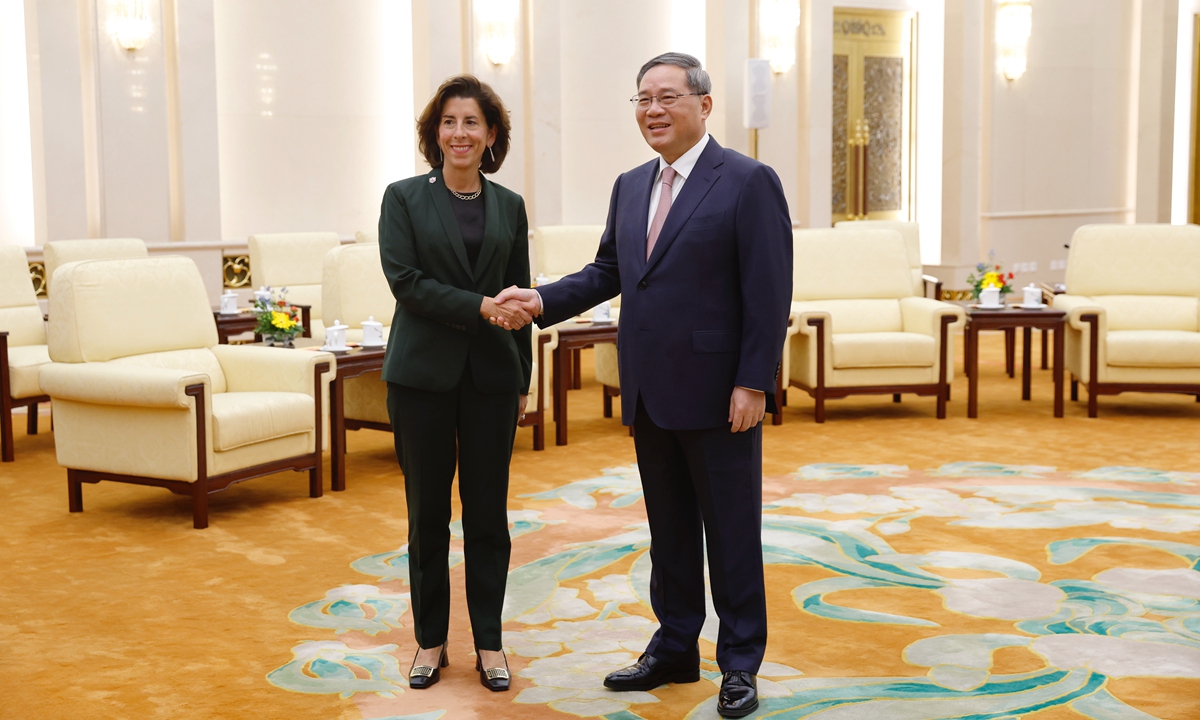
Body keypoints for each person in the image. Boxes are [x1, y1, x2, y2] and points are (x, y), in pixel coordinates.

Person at [494, 52, 792, 718]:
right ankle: (676, 645)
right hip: (652, 388)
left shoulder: (747, 181)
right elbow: (608, 272)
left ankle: (740, 662)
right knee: (671, 530)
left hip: (723, 395)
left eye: (668, 97)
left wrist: (754, 383)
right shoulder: (630, 185)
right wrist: (541, 299)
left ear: (705, 105)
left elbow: (769, 294)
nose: (653, 110)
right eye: (642, 99)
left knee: (733, 532)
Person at [378, 74, 534, 693]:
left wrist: (523, 375)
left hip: (493, 379)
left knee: (489, 517)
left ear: (491, 134)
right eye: (449, 122)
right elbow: (406, 282)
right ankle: (430, 641)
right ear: (433, 132)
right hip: (421, 380)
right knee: (427, 518)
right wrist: (478, 307)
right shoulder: (403, 198)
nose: (459, 133)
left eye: (472, 122)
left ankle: (490, 643)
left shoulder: (511, 206)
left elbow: (520, 296)